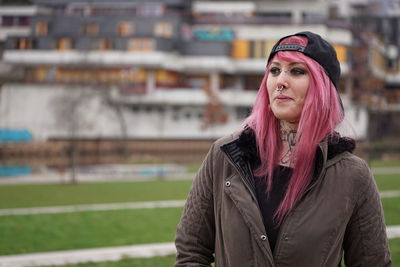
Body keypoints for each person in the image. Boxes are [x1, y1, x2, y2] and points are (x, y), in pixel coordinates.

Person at [174, 31, 391, 267]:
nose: (280, 81)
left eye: (297, 71)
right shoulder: (224, 156)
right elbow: (191, 252)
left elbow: (373, 262)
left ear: (323, 87)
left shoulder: (352, 175)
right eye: (274, 70)